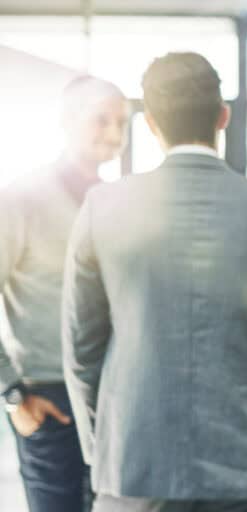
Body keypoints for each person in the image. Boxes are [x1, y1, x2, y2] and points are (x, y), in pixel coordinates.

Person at [61, 52, 247, 512]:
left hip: (133, 465)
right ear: (223, 117)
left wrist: (105, 450)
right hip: (245, 464)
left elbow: (82, 350)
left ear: (151, 124)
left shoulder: (103, 208)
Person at [0, 74, 127, 512]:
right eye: (101, 120)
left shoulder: (119, 202)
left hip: (115, 395)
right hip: (47, 396)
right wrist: (12, 395)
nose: (114, 134)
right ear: (67, 121)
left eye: (122, 123)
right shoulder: (22, 198)